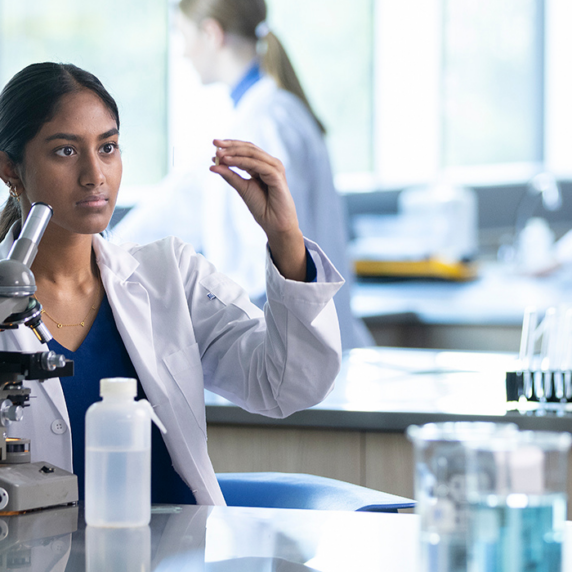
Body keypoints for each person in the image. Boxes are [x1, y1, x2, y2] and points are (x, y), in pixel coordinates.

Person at [0, 62, 343, 505]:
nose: (94, 175)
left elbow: (286, 385)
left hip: (173, 559)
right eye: (65, 151)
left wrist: (285, 240)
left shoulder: (169, 277)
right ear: (9, 168)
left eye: (107, 148)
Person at [115, 0, 374, 350]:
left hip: (291, 349)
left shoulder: (264, 124)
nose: (183, 53)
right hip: (297, 344)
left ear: (211, 33)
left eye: (183, 35)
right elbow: (183, 202)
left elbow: (264, 260)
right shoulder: (258, 115)